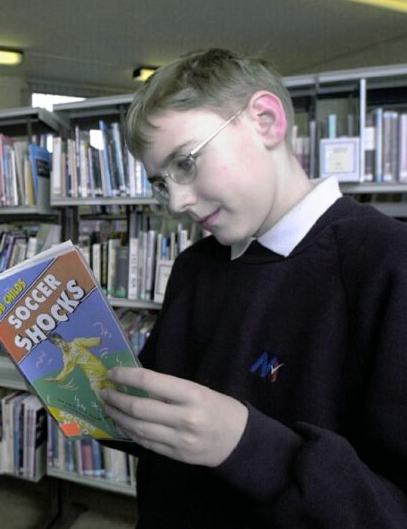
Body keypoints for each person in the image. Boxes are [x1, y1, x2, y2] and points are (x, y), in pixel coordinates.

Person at [100, 48, 407, 527]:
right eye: (163, 182)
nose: (178, 200)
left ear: (265, 120)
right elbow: (166, 430)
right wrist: (99, 401)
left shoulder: (388, 264)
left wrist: (246, 446)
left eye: (186, 163)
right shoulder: (194, 266)